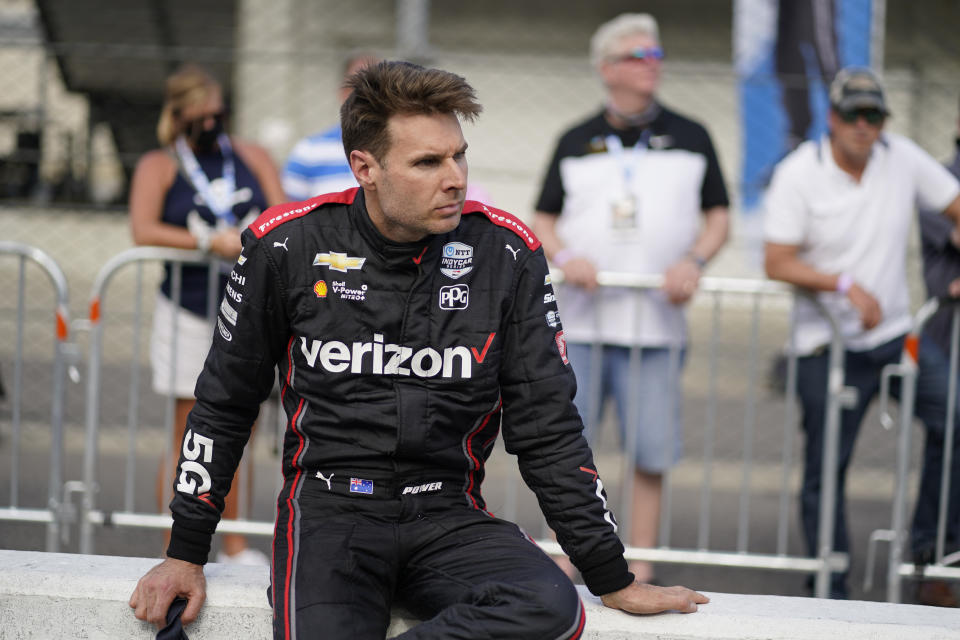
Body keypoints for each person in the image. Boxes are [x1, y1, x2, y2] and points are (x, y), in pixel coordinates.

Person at [130, 60, 709, 638]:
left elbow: (548, 428)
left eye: (458, 155)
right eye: (428, 162)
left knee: (551, 606)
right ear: (366, 167)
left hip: (447, 513)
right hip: (331, 513)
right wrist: (186, 552)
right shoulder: (286, 245)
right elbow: (224, 405)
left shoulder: (506, 253)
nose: (454, 176)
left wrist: (611, 575)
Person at [532, 12, 730, 584]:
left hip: (656, 325)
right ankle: (566, 553)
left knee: (650, 449)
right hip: (584, 325)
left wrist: (694, 261)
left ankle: (638, 561)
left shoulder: (693, 135)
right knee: (569, 446)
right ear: (608, 68)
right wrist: (566, 257)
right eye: (640, 56)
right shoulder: (574, 139)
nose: (654, 65)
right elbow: (543, 218)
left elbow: (718, 217)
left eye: (657, 54)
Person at [763, 66, 960, 603]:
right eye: (853, 114)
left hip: (898, 337)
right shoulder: (799, 172)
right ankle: (832, 583)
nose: (864, 125)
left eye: (874, 115)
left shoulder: (901, 156)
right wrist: (843, 284)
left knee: (956, 418)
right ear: (832, 117)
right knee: (827, 468)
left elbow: (953, 203)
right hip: (825, 346)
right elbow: (776, 261)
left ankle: (933, 558)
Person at [128, 62, 285, 565]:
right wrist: (205, 241)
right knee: (186, 430)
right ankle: (173, 547)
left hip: (247, 310)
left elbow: (283, 213)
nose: (209, 120)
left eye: (215, 110)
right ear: (178, 114)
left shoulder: (250, 155)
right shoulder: (160, 163)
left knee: (242, 425)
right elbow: (143, 229)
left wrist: (250, 237)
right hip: (187, 306)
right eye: (198, 112)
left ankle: (235, 546)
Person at [282, 52, 380, 201]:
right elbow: (289, 213)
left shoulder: (400, 150)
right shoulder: (308, 151)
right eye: (357, 86)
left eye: (376, 87)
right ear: (342, 93)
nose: (367, 95)